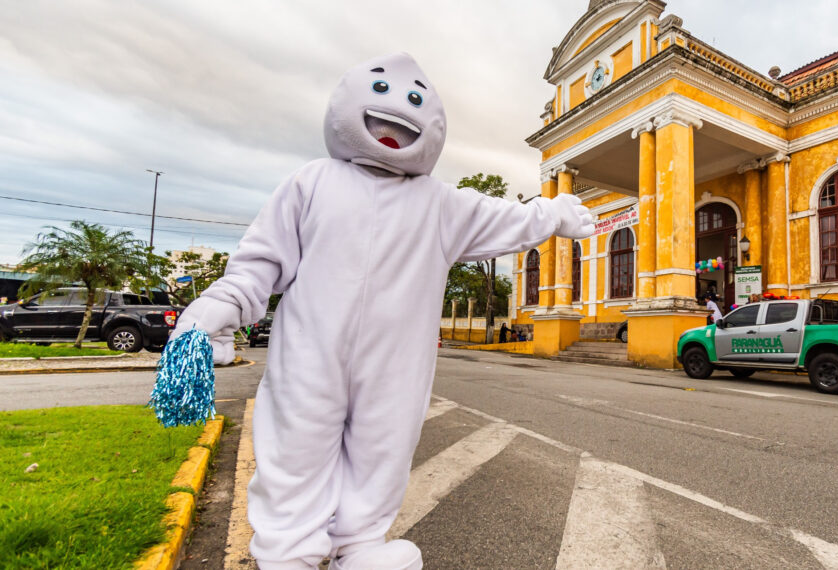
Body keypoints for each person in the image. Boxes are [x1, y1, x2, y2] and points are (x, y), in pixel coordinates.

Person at [169, 53, 595, 570]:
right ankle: (287, 553)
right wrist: (222, 304)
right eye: (380, 96)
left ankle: (361, 545)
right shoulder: (311, 182)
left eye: (414, 101)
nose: (397, 114)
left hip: (396, 369)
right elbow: (262, 260)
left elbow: (505, 217)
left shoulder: (440, 204)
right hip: (308, 357)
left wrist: (551, 212)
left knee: (383, 452)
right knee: (295, 450)